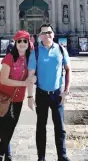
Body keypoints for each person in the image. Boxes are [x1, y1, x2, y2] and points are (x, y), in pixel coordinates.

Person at [27, 23, 72, 161]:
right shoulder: (35, 52)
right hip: (41, 94)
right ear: (40, 36)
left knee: (60, 127)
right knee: (41, 127)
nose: (47, 35)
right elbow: (31, 75)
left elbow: (68, 69)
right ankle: (41, 158)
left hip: (57, 94)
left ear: (53, 34)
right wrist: (29, 96)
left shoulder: (61, 49)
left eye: (49, 32)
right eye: (44, 33)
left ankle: (62, 157)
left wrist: (66, 90)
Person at [0, 31, 36, 161]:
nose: (22, 43)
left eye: (25, 41)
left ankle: (3, 152)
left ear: (29, 43)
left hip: (18, 97)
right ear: (15, 43)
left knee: (11, 125)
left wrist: (30, 97)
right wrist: (23, 83)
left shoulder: (30, 60)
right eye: (19, 41)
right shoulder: (9, 58)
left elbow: (30, 79)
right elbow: (4, 80)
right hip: (3, 95)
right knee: (4, 125)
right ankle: (4, 153)